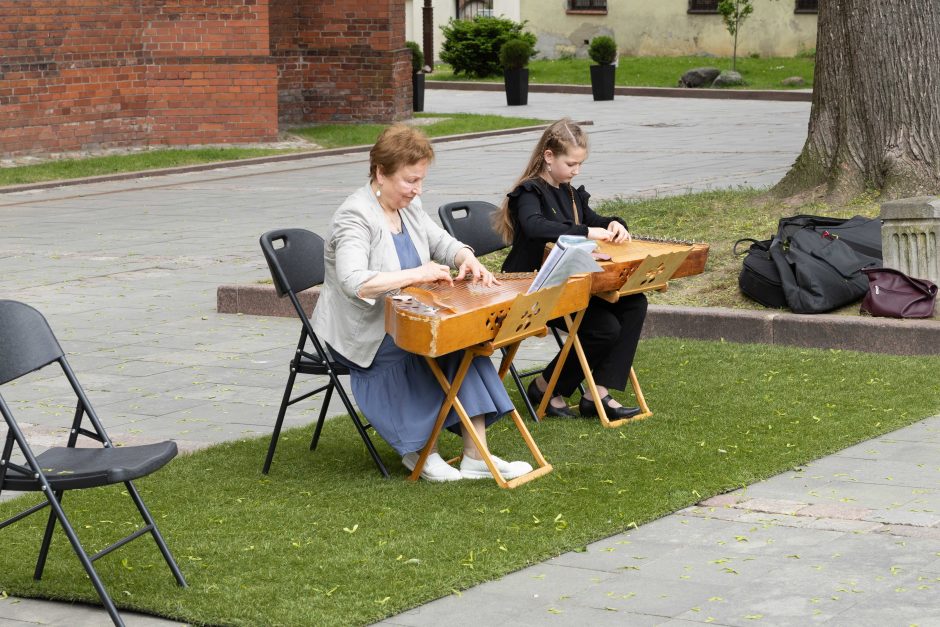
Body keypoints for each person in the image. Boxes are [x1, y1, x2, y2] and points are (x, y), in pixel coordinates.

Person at [312, 124, 532, 482]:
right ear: (381, 173)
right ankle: (418, 451)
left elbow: (440, 240)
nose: (417, 190)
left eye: (420, 181)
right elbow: (356, 283)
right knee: (428, 345)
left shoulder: (408, 207)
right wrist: (418, 273)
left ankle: (476, 456)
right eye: (410, 181)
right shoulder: (354, 217)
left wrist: (465, 257)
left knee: (467, 343)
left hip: (406, 317)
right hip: (365, 335)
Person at [496, 118, 647, 420]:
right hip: (534, 287)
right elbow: (536, 227)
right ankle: (546, 386)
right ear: (549, 157)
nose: (576, 171)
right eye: (571, 163)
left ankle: (597, 392)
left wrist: (614, 223)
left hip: (573, 282)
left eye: (580, 164)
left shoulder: (569, 193)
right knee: (604, 328)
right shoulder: (529, 193)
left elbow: (595, 219)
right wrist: (587, 232)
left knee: (634, 303)